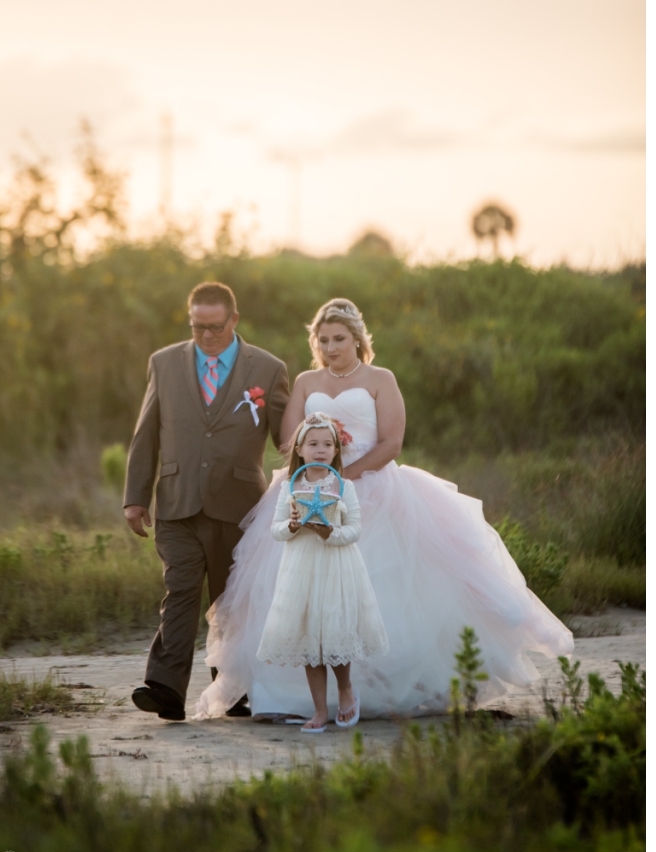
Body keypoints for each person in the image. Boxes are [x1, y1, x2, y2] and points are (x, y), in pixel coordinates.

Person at [195, 298, 573, 722]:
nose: (331, 347)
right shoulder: (304, 380)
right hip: (312, 486)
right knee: (297, 589)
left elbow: (392, 442)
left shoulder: (380, 378)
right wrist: (316, 481)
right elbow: (291, 442)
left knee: (385, 585)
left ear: (357, 339)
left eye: (339, 339)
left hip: (374, 485)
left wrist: (346, 478)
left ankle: (392, 684)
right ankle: (297, 696)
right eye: (323, 339)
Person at [123, 281, 289, 721]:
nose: (207, 336)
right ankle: (165, 690)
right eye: (198, 327)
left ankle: (232, 690)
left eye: (215, 327)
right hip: (177, 500)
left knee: (230, 601)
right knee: (180, 589)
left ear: (234, 320)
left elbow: (288, 440)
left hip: (239, 505)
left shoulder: (269, 370)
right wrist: (135, 498)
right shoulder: (164, 363)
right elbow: (146, 434)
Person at [257, 412, 389, 732]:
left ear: (336, 450)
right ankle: (319, 710)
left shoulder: (342, 486)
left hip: (336, 565)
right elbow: (276, 529)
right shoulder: (292, 485)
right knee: (309, 641)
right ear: (299, 449)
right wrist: (290, 526)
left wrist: (330, 533)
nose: (321, 449)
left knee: (333, 634)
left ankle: (345, 690)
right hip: (300, 566)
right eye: (313, 443)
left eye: (327, 444)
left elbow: (355, 529)